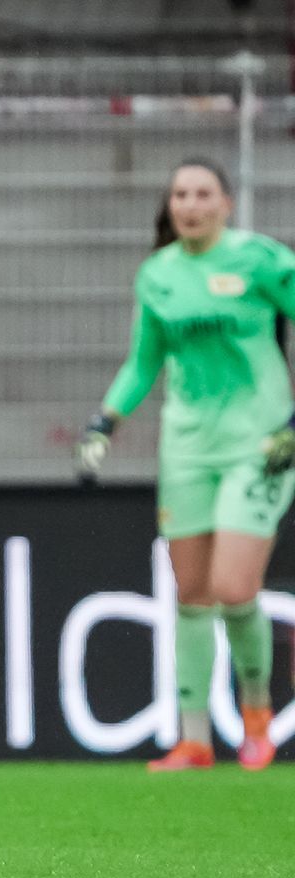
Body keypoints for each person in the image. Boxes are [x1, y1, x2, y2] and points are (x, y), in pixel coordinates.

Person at [77, 157, 293, 772]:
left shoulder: (260, 261)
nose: (190, 205)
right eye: (180, 195)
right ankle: (194, 740)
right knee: (193, 595)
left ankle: (256, 712)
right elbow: (143, 361)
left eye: (202, 194)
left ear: (226, 204)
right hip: (187, 448)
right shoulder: (158, 275)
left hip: (261, 445)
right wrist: (105, 422)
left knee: (234, 588)